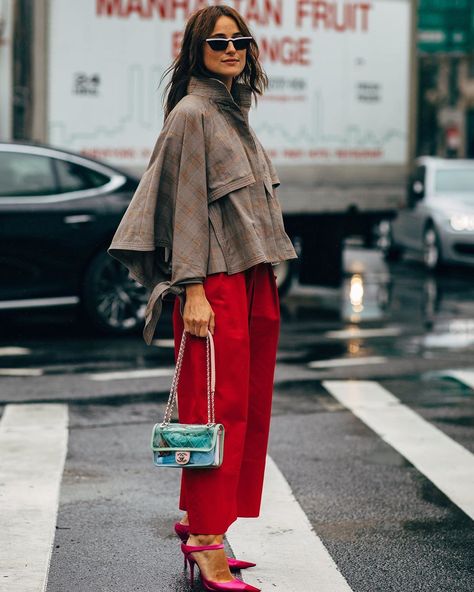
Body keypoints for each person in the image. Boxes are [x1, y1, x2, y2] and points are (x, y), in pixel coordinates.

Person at [108, 5, 298, 591]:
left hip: (250, 276)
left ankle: (200, 523)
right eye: (219, 42)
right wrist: (192, 290)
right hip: (213, 283)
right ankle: (208, 543)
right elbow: (187, 207)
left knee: (244, 408)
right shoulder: (194, 114)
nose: (233, 48)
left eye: (240, 39)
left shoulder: (230, 111)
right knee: (217, 409)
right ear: (197, 50)